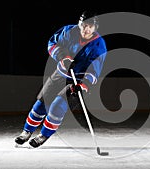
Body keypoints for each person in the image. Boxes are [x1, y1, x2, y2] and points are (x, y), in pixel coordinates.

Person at [14, 10, 107, 148]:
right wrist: (62, 57)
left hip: (77, 82)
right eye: (84, 25)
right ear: (79, 23)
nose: (86, 29)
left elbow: (95, 69)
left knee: (57, 105)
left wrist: (84, 85)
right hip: (60, 74)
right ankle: (27, 131)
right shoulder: (68, 31)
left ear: (95, 28)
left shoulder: (99, 45)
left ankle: (44, 134)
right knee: (41, 103)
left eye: (90, 26)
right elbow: (52, 44)